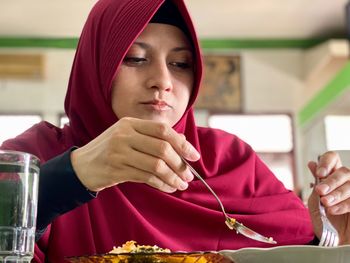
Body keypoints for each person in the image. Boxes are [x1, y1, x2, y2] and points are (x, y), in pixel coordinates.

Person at [1, 0, 350, 262]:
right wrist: (74, 175)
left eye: (180, 64)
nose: (163, 82)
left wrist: (331, 234)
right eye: (135, 58)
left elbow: (293, 249)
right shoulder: (33, 158)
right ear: (95, 68)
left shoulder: (229, 160)